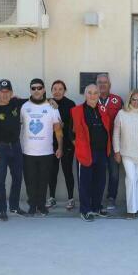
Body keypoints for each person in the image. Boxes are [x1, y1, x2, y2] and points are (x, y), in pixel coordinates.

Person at [0, 79, 28, 221]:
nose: (5, 94)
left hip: (15, 146)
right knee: (0, 180)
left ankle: (14, 206)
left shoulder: (15, 103)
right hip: (0, 148)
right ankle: (2, 209)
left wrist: (50, 101)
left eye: (7, 92)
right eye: (2, 92)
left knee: (17, 178)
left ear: (12, 93)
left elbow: (35, 100)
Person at [20, 79, 63, 216]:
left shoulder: (52, 107)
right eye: (34, 88)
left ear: (44, 90)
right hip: (28, 152)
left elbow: (58, 129)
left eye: (39, 88)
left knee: (44, 181)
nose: (37, 90)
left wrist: (60, 147)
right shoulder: (24, 107)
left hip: (46, 152)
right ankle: (32, 205)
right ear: (30, 90)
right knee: (30, 181)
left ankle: (41, 206)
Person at [71, 84, 112, 221]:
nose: (93, 95)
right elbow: (70, 134)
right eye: (90, 93)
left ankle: (96, 207)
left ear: (99, 94)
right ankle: (85, 210)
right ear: (85, 94)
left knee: (100, 182)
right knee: (85, 183)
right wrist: (79, 147)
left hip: (102, 153)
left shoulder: (102, 110)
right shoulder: (76, 111)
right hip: (86, 153)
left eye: (95, 93)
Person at [113, 90, 138, 219]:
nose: (136, 102)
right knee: (131, 179)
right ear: (129, 100)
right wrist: (117, 151)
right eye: (133, 99)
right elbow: (116, 133)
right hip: (127, 153)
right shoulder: (122, 113)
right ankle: (131, 210)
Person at [46, 80, 77, 210]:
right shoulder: (46, 103)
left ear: (65, 91)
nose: (57, 91)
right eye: (55, 89)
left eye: (60, 89)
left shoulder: (71, 104)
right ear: (51, 90)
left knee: (67, 171)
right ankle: (52, 198)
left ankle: (70, 199)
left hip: (67, 143)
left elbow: (73, 125)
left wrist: (64, 126)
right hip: (50, 143)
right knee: (52, 172)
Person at [96, 73, 124, 210]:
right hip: (98, 144)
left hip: (114, 143)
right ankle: (97, 198)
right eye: (99, 82)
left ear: (110, 85)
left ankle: (111, 197)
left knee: (114, 172)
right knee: (98, 172)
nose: (102, 85)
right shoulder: (92, 99)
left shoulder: (117, 100)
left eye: (105, 82)